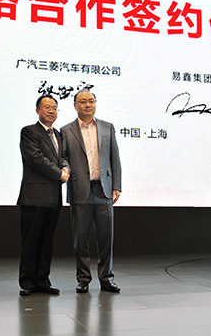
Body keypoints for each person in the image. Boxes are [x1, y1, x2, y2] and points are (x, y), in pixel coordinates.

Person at [61, 89, 122, 293]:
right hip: (79, 189)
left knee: (106, 238)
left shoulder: (107, 127)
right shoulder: (66, 130)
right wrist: (65, 170)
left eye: (91, 101)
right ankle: (83, 279)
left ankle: (106, 278)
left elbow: (114, 157)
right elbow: (63, 158)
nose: (88, 105)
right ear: (75, 105)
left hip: (104, 189)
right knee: (81, 240)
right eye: (83, 102)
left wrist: (116, 185)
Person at [17, 95, 70, 296]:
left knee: (47, 241)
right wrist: (59, 174)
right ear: (37, 110)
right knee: (31, 242)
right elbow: (36, 159)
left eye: (54, 107)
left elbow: (63, 157)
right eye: (47, 107)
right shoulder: (29, 132)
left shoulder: (59, 135)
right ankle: (27, 282)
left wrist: (66, 168)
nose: (51, 111)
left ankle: (42, 281)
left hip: (53, 197)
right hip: (34, 196)